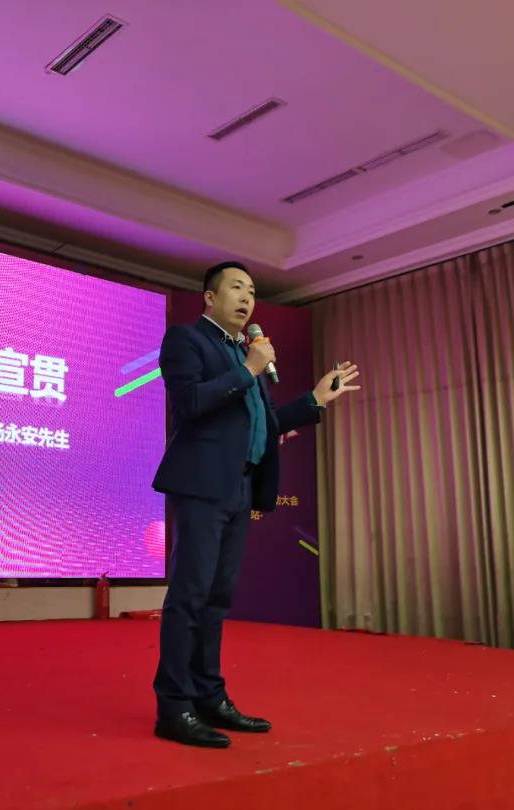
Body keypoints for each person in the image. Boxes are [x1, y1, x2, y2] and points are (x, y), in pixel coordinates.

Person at [151, 261, 360, 748]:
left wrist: (314, 400)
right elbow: (190, 403)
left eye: (252, 291)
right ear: (210, 297)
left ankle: (209, 696)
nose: (247, 298)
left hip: (240, 487)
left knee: (218, 597)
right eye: (237, 288)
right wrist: (248, 368)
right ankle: (174, 706)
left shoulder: (246, 354)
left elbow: (265, 422)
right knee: (190, 596)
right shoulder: (188, 341)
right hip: (202, 485)